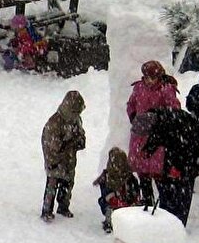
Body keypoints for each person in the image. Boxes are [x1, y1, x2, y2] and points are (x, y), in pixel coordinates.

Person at [126, 60, 180, 205]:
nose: (149, 80)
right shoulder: (138, 87)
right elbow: (131, 104)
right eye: (147, 76)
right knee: (142, 170)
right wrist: (133, 117)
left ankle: (164, 204)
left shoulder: (167, 89)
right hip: (139, 135)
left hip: (157, 136)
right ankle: (147, 200)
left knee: (158, 170)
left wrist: (158, 118)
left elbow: (174, 109)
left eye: (153, 77)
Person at [142, 108, 199, 225]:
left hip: (190, 158)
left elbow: (182, 148)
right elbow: (155, 138)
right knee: (169, 192)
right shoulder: (161, 119)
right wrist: (147, 150)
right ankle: (168, 221)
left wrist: (177, 168)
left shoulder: (171, 126)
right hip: (183, 155)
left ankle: (177, 226)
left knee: (181, 195)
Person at [41, 90, 86, 221]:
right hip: (54, 160)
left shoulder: (76, 120)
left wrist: (77, 141)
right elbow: (55, 146)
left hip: (69, 159)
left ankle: (63, 206)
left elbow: (81, 138)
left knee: (68, 182)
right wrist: (71, 142)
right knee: (52, 184)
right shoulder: (55, 123)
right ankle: (47, 210)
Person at [93, 147, 143, 233]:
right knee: (108, 206)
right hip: (114, 204)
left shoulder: (130, 178)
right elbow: (107, 197)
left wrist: (132, 202)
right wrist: (118, 201)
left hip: (129, 204)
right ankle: (110, 221)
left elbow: (136, 193)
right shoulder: (106, 178)